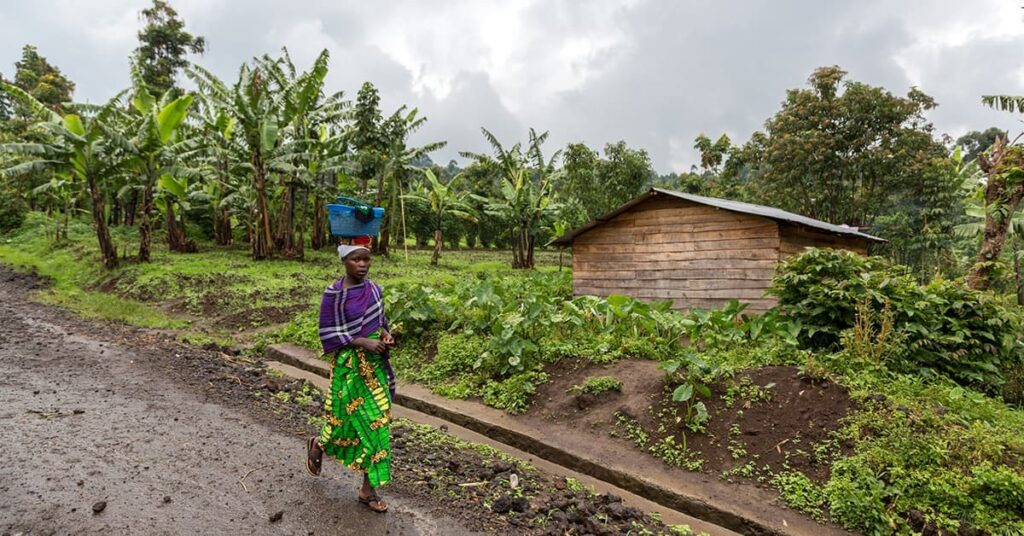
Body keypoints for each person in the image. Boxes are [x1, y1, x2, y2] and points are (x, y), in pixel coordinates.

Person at [306, 238, 396, 513]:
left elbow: (379, 322)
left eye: (366, 259)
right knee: (343, 421)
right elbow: (328, 332)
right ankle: (319, 443)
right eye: (356, 259)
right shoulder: (334, 295)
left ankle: (368, 490)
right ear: (344, 261)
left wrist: (385, 335)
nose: (362, 265)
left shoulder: (375, 290)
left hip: (374, 368)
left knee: (377, 423)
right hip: (348, 368)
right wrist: (362, 341)